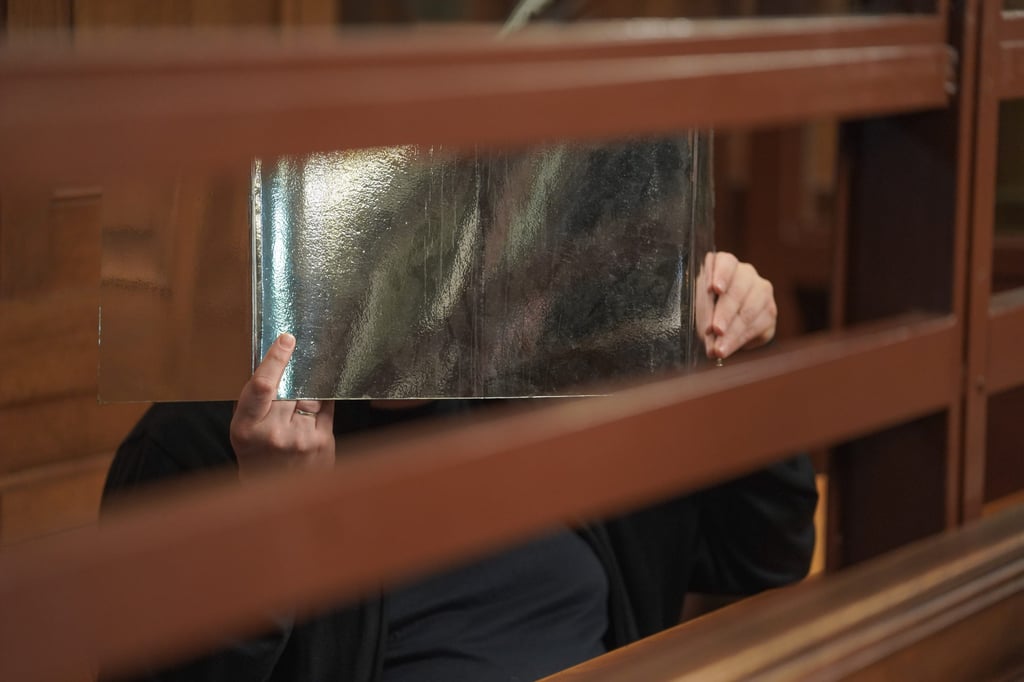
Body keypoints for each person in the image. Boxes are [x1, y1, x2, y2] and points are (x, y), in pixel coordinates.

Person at [103, 251, 817, 682]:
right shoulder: (202, 443)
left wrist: (737, 356)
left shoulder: (561, 391)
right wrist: (271, 532)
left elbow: (768, 556)